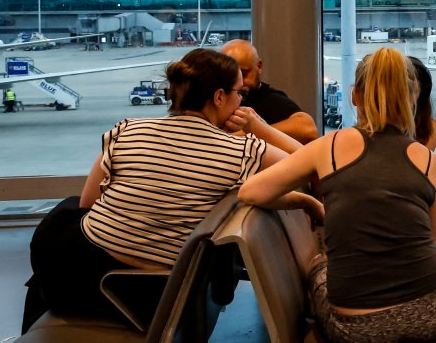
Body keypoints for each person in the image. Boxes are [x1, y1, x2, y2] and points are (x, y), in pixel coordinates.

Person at [22, 48, 304, 331]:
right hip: (155, 286)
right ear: (219, 97)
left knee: (65, 216)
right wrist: (260, 126)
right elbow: (305, 162)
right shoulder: (241, 151)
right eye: (238, 93)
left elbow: (88, 203)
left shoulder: (128, 130)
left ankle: (35, 329)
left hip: (109, 280)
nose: (242, 100)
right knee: (64, 224)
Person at [239, 49, 436, 343]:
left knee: (319, 268)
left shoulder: (329, 147)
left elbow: (251, 191)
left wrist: (307, 201)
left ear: (354, 96)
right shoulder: (427, 160)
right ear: (411, 97)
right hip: (433, 314)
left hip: (355, 326)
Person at [222, 39, 319, 144]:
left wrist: (245, 133)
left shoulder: (268, 99)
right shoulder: (220, 96)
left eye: (244, 74)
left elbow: (308, 129)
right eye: (230, 76)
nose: (239, 83)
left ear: (259, 66)